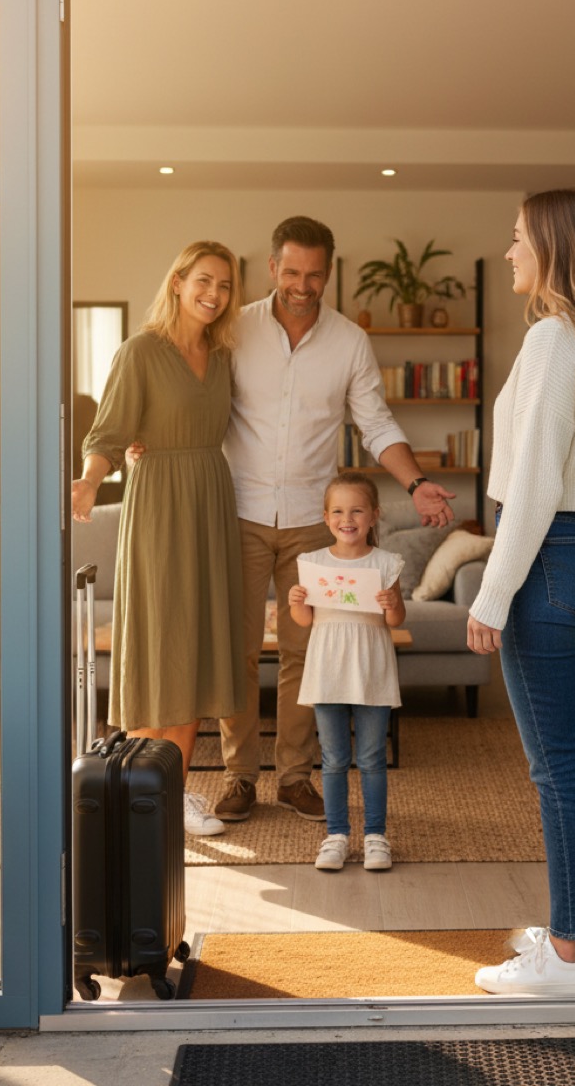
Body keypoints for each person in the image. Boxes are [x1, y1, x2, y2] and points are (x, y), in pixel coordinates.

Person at [212, 216, 454, 825]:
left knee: (306, 651)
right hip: (239, 511)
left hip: (311, 523)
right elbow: (199, 402)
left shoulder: (349, 341)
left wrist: (417, 483)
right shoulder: (235, 328)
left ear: (329, 274)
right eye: (291, 272)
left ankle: (295, 777)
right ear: (273, 267)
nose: (302, 285)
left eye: (314, 274)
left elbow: (375, 423)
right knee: (237, 651)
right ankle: (239, 776)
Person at [466, 189, 575, 996]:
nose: (509, 252)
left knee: (558, 766)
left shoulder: (549, 340)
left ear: (553, 249)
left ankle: (565, 957)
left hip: (545, 558)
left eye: (518, 238)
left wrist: (491, 594)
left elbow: (533, 484)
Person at [72, 240, 248, 838]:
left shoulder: (222, 356)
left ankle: (170, 794)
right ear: (177, 282)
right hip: (159, 508)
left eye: (224, 285)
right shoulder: (141, 351)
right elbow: (108, 432)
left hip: (209, 501)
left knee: (194, 649)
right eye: (204, 280)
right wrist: (90, 481)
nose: (214, 294)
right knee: (159, 645)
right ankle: (139, 792)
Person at [288, 472, 405, 872]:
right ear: (326, 518)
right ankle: (336, 834)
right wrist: (297, 602)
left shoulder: (386, 563)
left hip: (371, 668)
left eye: (356, 510)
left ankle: (375, 835)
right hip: (328, 670)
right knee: (333, 758)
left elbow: (395, 620)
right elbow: (305, 620)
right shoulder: (313, 563)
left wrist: (392, 604)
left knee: (371, 758)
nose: (347, 519)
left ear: (374, 515)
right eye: (338, 511)